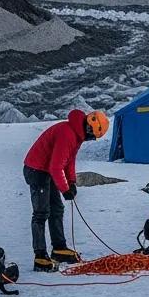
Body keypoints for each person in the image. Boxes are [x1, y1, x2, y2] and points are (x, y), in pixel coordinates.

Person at [23, 108, 110, 271]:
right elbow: (56, 166)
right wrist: (65, 189)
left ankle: (59, 249)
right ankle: (40, 257)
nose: (90, 139)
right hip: (36, 170)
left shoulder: (76, 135)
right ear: (90, 126)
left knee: (57, 209)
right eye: (92, 136)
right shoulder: (68, 133)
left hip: (45, 170)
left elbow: (69, 161)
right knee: (41, 213)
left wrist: (71, 182)